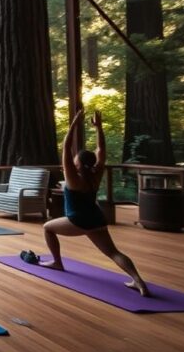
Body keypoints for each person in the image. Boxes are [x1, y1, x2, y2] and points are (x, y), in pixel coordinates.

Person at [38, 109, 149, 296]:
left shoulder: (73, 178)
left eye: (75, 159)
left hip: (78, 220)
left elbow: (66, 148)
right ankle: (138, 281)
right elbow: (101, 150)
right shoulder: (95, 175)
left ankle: (57, 262)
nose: (73, 159)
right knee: (113, 252)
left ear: (78, 163)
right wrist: (99, 128)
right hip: (97, 219)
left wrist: (74, 123)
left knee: (47, 228)